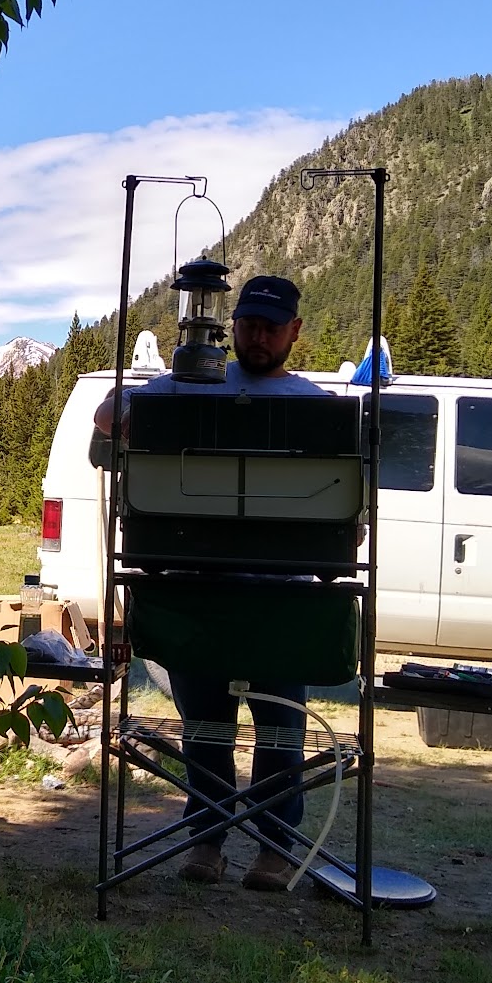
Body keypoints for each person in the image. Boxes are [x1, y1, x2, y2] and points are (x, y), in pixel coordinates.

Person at [94, 274, 333, 893]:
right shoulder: (193, 384)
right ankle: (208, 841)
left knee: (281, 733)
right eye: (248, 325)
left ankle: (275, 850)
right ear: (231, 325)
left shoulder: (313, 405)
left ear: (294, 332)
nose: (257, 337)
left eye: (271, 328)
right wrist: (124, 406)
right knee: (206, 731)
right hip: (197, 593)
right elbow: (105, 423)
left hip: (282, 598)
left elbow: (346, 513)